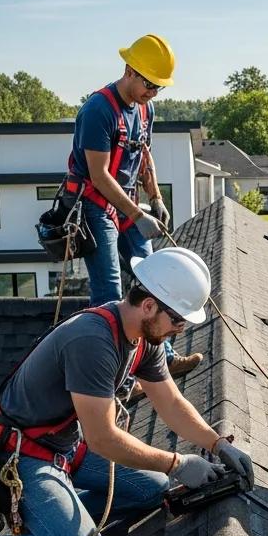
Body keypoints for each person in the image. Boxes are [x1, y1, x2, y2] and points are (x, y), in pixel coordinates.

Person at [0, 247, 254, 536]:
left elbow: (171, 402)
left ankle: (56, 520)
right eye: (177, 320)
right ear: (148, 306)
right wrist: (179, 463)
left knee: (154, 488)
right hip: (22, 456)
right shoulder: (93, 342)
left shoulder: (143, 338)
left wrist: (218, 443)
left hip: (63, 445)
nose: (180, 329)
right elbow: (102, 438)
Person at [66, 32, 201, 377]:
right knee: (111, 291)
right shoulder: (98, 110)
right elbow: (98, 176)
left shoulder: (145, 109)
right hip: (96, 207)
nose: (153, 93)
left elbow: (143, 154)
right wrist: (137, 214)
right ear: (129, 70)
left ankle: (163, 359)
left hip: (128, 205)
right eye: (150, 85)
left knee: (155, 280)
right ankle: (118, 376)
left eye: (159, 87)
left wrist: (155, 197)